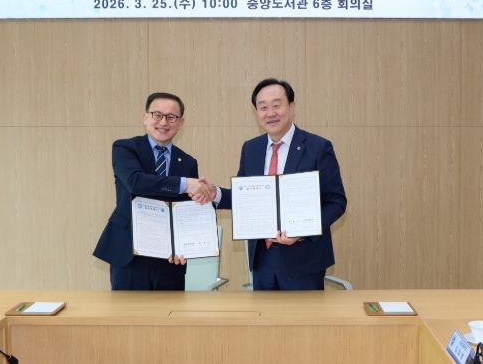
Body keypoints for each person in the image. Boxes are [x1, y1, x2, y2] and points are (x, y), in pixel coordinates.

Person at [212, 78, 347, 290]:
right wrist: (215, 194)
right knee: (264, 312)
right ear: (257, 112)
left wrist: (303, 231)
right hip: (263, 259)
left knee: (302, 313)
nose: (270, 113)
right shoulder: (251, 148)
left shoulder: (318, 147)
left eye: (276, 105)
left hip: (304, 260)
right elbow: (245, 197)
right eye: (263, 107)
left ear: (291, 107)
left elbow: (336, 202)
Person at [93, 92, 214, 290]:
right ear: (145, 117)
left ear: (180, 123)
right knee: (127, 309)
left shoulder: (188, 162)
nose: (163, 122)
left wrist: (185, 245)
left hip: (170, 259)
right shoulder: (125, 148)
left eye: (171, 117)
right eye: (157, 115)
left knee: (170, 309)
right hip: (129, 254)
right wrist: (184, 184)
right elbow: (135, 182)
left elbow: (186, 210)